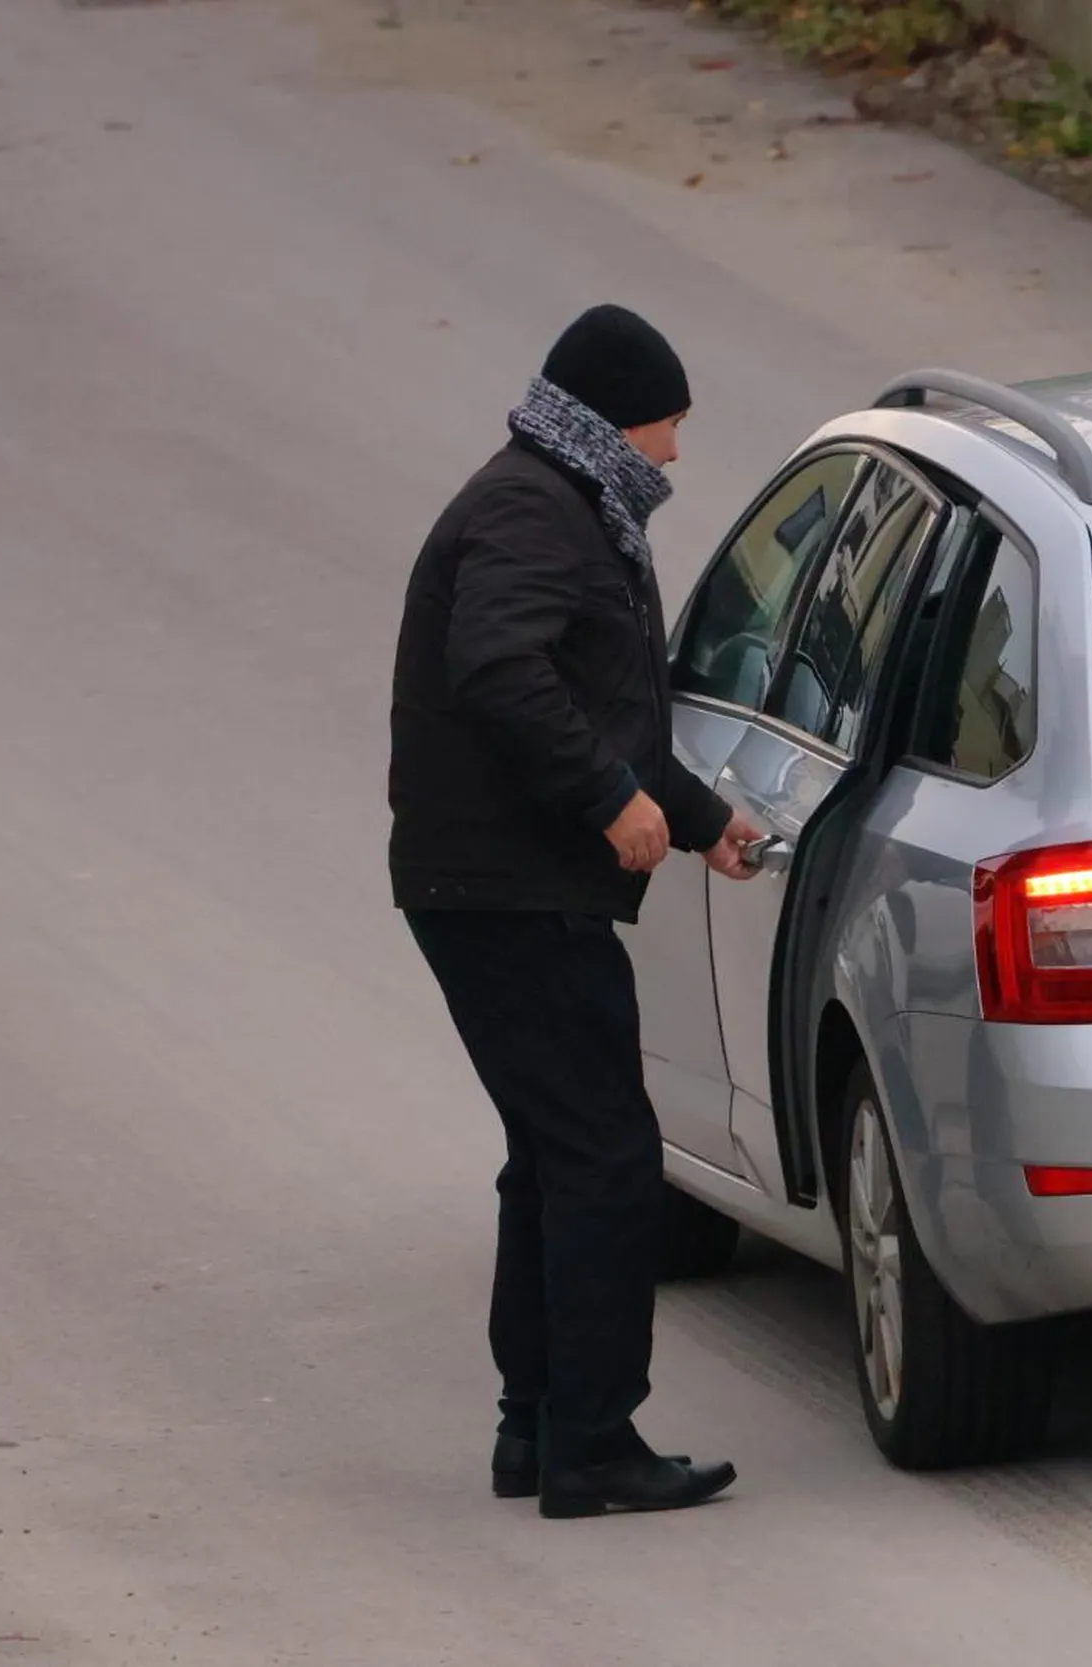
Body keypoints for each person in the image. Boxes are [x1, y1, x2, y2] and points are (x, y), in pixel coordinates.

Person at [388, 304, 759, 1519]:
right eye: (669, 424)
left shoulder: (560, 501)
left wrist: (697, 817)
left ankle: (536, 1426)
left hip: (505, 880)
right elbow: (500, 668)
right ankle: (592, 1441)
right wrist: (606, 797)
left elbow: (601, 701)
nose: (674, 452)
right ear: (615, 416)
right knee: (604, 1157)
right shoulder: (533, 511)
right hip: (511, 887)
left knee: (555, 1155)